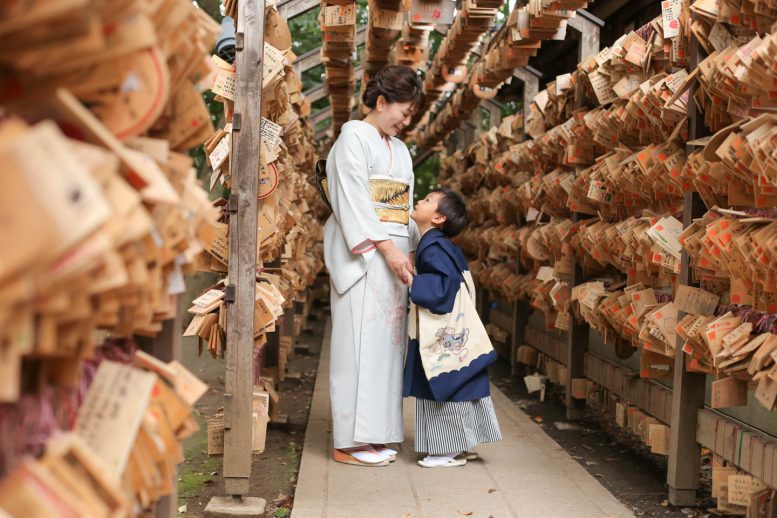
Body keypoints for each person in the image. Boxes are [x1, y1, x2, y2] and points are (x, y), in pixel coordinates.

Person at [323, 65, 424, 467]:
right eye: (404, 110)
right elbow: (353, 202)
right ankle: (348, 441)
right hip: (365, 256)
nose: (406, 119)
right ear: (381, 102)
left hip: (396, 258)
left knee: (386, 348)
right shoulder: (352, 140)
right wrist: (386, 249)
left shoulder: (399, 150)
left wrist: (411, 249)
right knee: (357, 347)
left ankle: (378, 434)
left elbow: (405, 209)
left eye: (412, 114)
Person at [403, 188, 503, 468]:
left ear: (438, 218)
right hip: (457, 327)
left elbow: (442, 287)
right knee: (458, 381)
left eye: (427, 201)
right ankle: (460, 443)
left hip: (444, 329)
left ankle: (446, 450)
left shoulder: (433, 246)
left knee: (443, 378)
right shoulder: (438, 244)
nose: (420, 200)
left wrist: (413, 283)